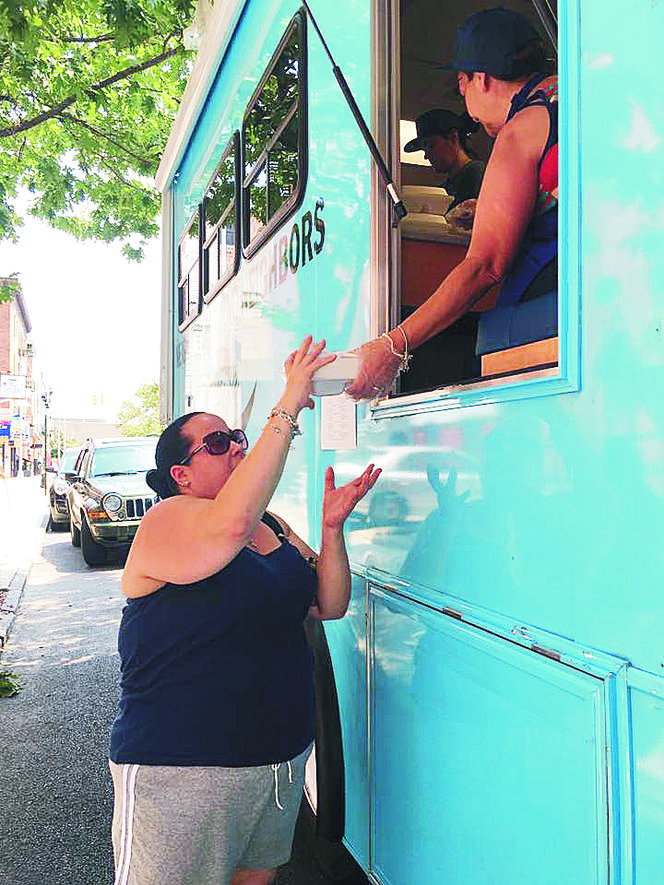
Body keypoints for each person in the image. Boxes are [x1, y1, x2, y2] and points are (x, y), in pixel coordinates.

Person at [108, 336, 381, 885]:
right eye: (217, 443)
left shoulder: (273, 527)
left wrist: (332, 531)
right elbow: (227, 527)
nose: (235, 446)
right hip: (182, 769)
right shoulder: (167, 522)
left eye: (235, 437)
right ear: (181, 474)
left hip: (275, 765)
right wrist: (291, 402)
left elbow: (328, 604)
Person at [347, 6, 558, 399]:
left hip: (554, 316)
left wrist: (394, 345)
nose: (467, 103)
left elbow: (485, 266)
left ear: (480, 77)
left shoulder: (521, 130)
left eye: (462, 83)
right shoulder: (574, 97)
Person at [403, 107, 485, 213]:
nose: (426, 156)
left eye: (431, 146)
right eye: (424, 150)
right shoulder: (445, 188)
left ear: (452, 137)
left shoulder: (476, 173)